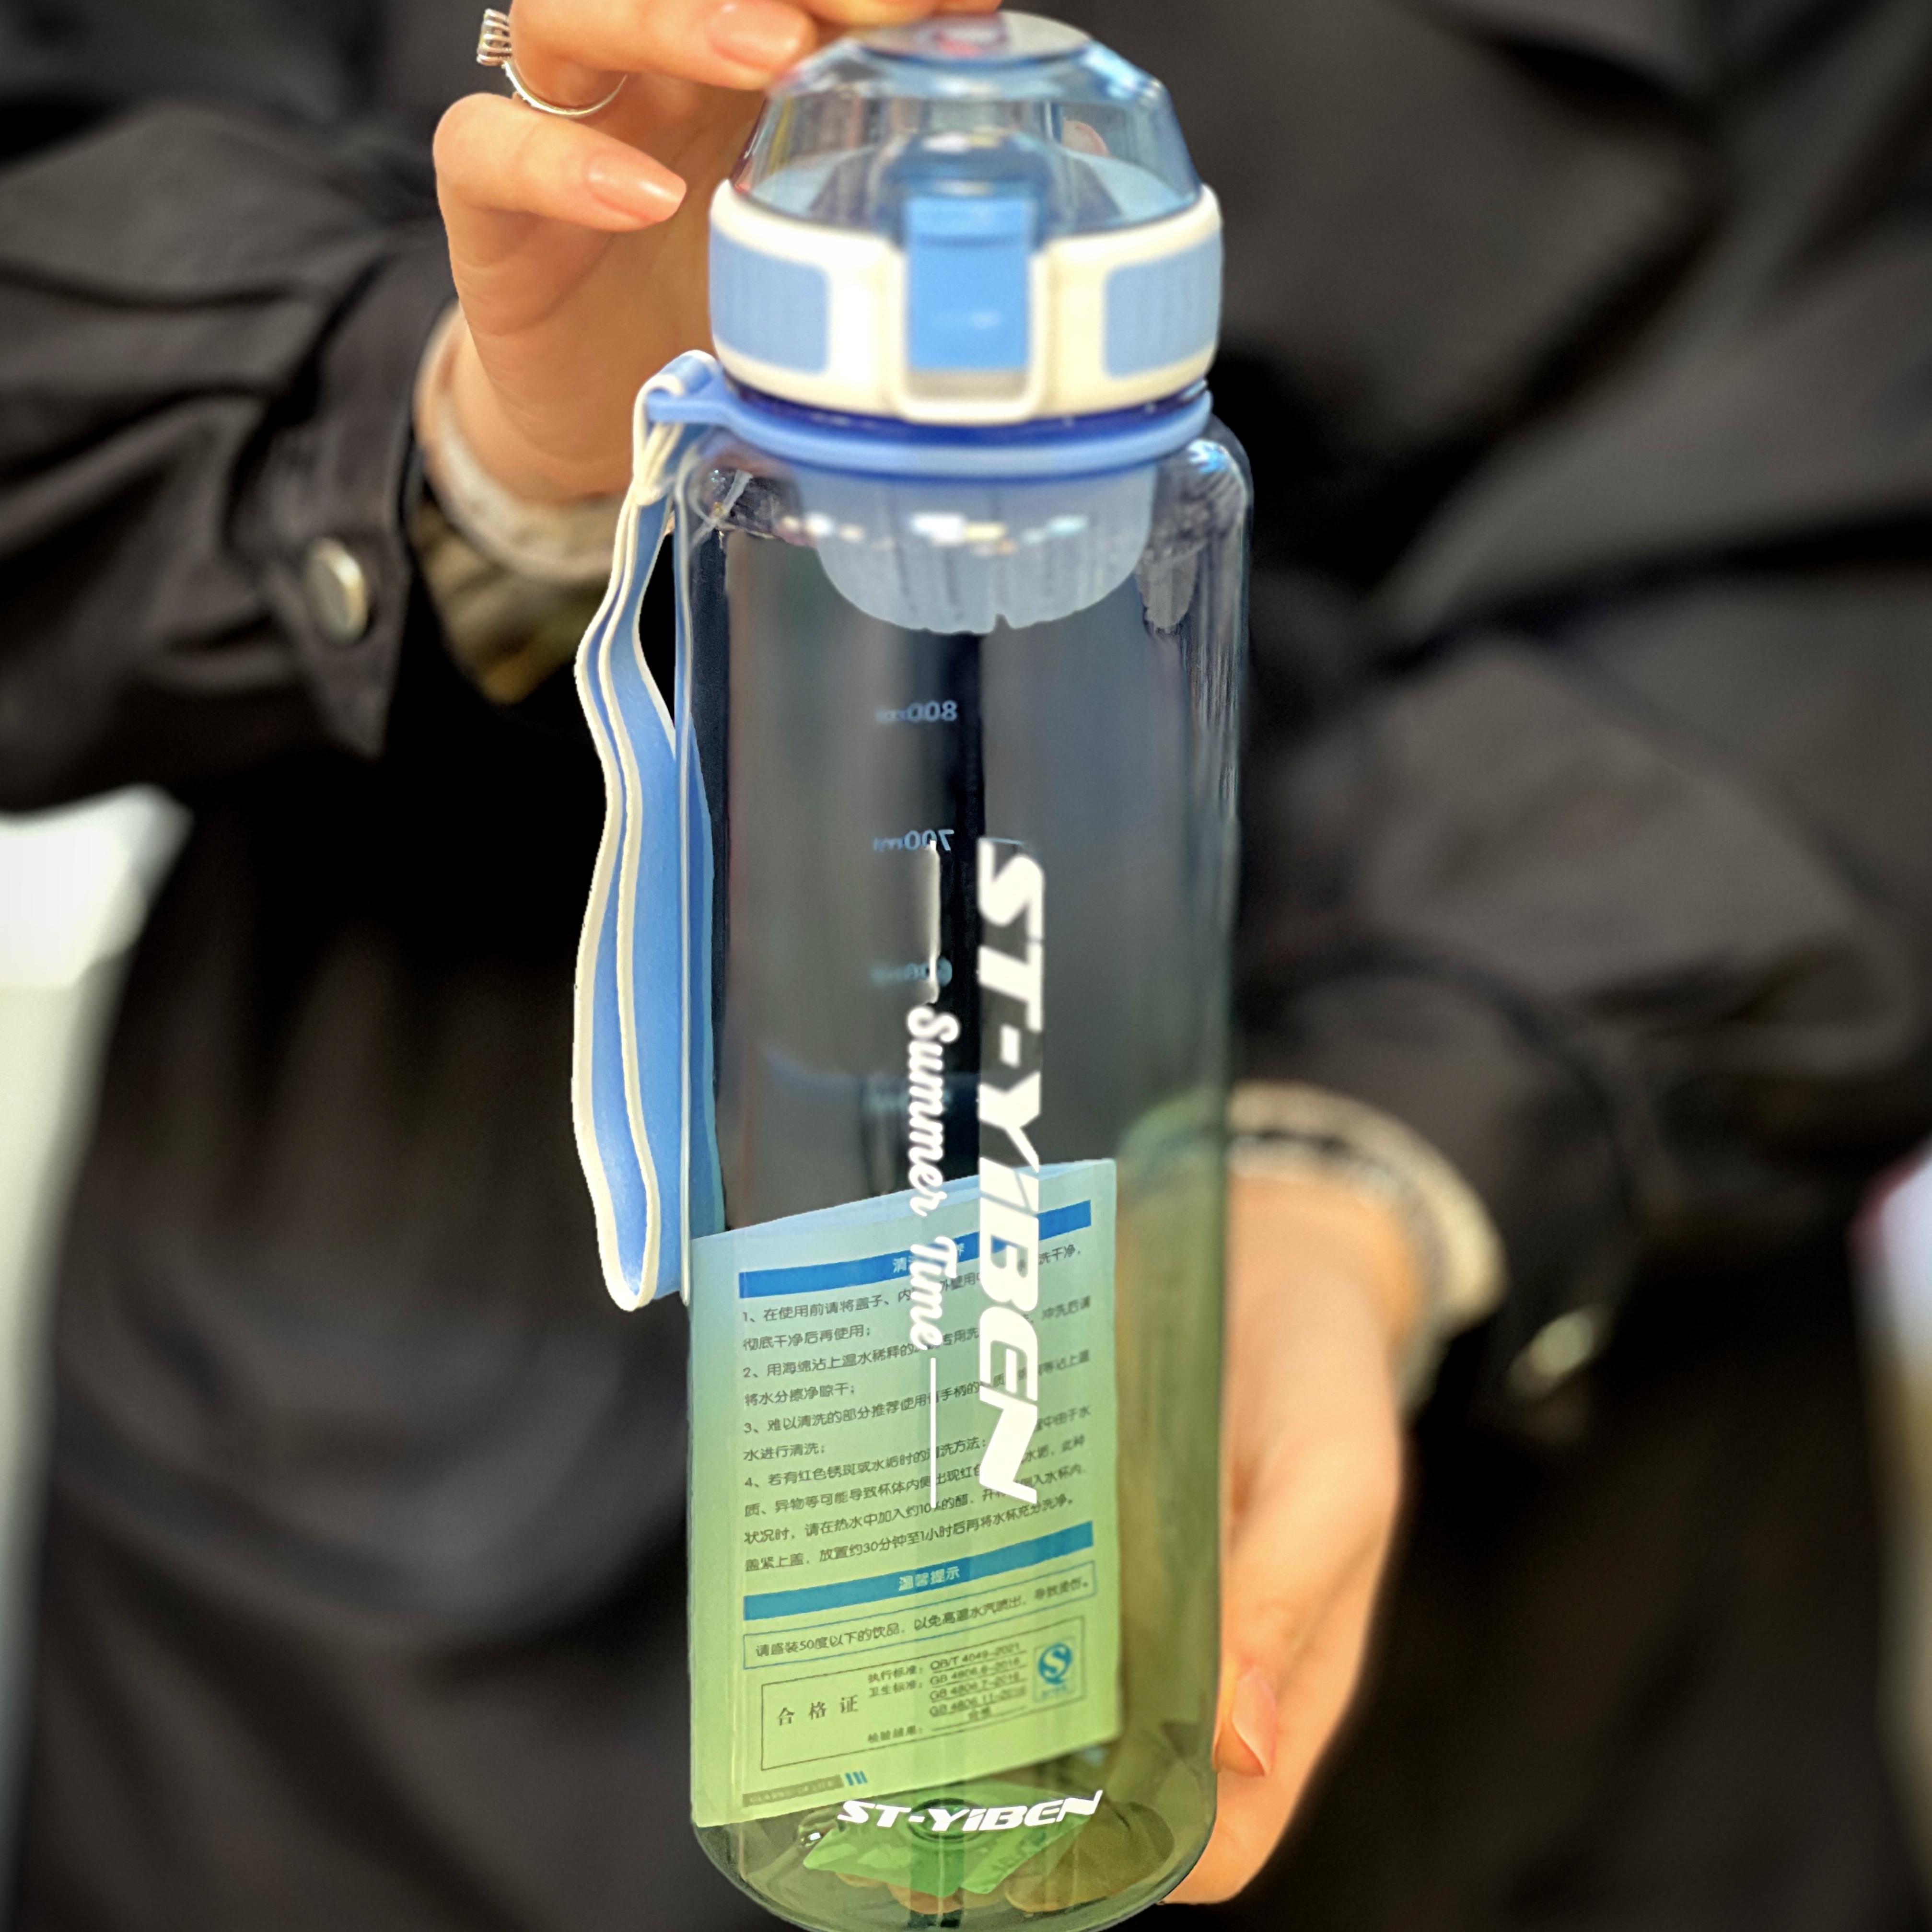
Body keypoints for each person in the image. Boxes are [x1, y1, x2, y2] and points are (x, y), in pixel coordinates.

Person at [0, 1, 1930, 1929]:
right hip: (391, 1586)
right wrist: (484, 434)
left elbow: (1876, 508)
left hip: (1539, 1577)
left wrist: (1369, 1167)